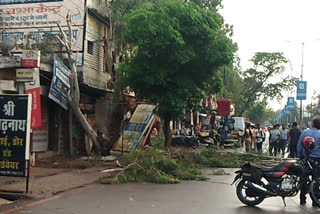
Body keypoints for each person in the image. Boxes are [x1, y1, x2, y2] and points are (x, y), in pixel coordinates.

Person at [297, 118, 320, 206]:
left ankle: (302, 198)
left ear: (312, 124)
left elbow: (299, 146)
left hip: (306, 159)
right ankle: (315, 200)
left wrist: (300, 157)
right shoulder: (319, 134)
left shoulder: (305, 133)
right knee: (316, 179)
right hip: (318, 160)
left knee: (304, 178)